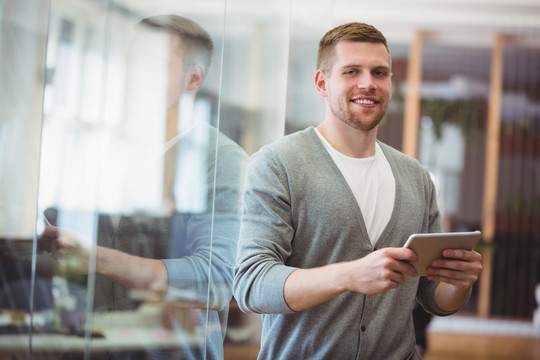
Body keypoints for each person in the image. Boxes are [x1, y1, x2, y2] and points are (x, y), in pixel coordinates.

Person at [233, 22, 483, 359]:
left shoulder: (416, 177)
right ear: (322, 83)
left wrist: (459, 284)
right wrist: (350, 275)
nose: (368, 83)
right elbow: (252, 284)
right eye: (352, 71)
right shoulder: (278, 164)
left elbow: (431, 295)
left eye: (380, 72)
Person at [42, 15, 248, 359]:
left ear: (193, 78)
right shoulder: (103, 149)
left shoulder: (220, 161)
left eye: (154, 64)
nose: (135, 73)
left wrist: (95, 258)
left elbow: (216, 282)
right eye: (131, 61)